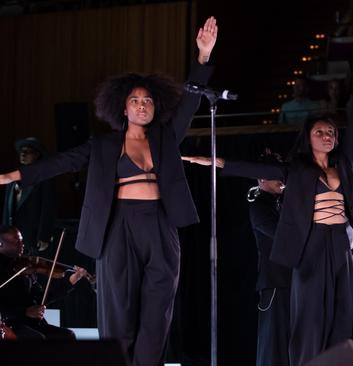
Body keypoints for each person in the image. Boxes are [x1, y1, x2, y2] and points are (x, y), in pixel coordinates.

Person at [0, 16, 217, 366]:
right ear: (123, 107)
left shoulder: (166, 137)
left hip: (161, 226)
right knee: (119, 310)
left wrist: (203, 57)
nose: (143, 105)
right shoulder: (103, 144)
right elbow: (64, 161)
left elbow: (190, 103)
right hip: (118, 228)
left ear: (155, 106)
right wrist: (13, 175)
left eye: (148, 100)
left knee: (158, 309)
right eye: (135, 100)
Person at [184, 51, 353, 366]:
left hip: (340, 245)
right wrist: (213, 161)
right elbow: (249, 169)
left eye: (331, 132)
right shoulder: (297, 169)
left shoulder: (343, 164)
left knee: (342, 314)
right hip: (311, 245)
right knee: (308, 319)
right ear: (309, 138)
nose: (327, 136)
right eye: (320, 132)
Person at [0, 225, 88, 340]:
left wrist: (70, 281)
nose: (22, 244)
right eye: (16, 241)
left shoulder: (25, 267)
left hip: (29, 323)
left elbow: (41, 297)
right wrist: (25, 312)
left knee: (67, 336)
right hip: (8, 323)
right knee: (38, 339)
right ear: (1, 244)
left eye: (22, 240)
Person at [248, 150, 292, 366]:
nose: (281, 181)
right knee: (273, 343)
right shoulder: (259, 206)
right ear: (261, 178)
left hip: (292, 281)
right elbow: (282, 236)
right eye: (275, 175)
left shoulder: (283, 203)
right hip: (275, 282)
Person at [2, 137, 55, 255]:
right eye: (21, 151)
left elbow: (48, 208)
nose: (23, 154)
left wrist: (44, 235)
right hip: (11, 237)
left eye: (28, 151)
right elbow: (7, 209)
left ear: (37, 155)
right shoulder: (12, 178)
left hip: (31, 235)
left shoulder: (44, 178)